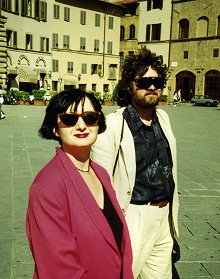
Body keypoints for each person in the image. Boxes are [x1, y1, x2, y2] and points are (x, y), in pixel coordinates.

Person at [26, 89, 134, 279]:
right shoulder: (47, 187)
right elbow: (59, 269)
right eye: (69, 119)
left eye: (90, 117)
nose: (81, 125)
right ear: (54, 128)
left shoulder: (100, 173)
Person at [91, 47, 179, 279]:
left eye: (157, 81)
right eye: (144, 81)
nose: (152, 86)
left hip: (163, 217)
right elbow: (100, 184)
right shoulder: (113, 126)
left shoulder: (163, 118)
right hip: (133, 217)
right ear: (130, 85)